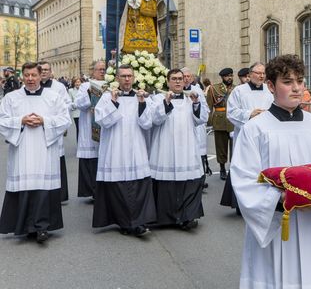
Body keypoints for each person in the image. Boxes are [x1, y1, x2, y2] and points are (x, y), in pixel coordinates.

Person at [230, 54, 311, 289]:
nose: (297, 88)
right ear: (270, 85)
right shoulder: (255, 129)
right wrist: (278, 198)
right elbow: (245, 180)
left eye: (300, 81)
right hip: (281, 228)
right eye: (287, 82)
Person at [0, 62, 71, 243]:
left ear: (41, 76)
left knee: (43, 187)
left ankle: (42, 228)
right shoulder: (11, 98)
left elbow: (65, 120)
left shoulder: (53, 97)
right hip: (21, 149)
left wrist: (44, 121)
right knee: (24, 186)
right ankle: (24, 226)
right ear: (22, 76)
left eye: (34, 75)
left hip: (44, 149)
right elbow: (2, 120)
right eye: (27, 75)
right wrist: (20, 121)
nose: (30, 79)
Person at [93, 65, 156, 237]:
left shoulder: (141, 97)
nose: (127, 79)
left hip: (136, 146)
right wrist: (114, 102)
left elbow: (147, 123)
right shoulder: (107, 97)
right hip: (115, 147)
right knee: (118, 187)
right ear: (117, 78)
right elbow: (102, 120)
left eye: (130, 76)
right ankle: (125, 222)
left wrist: (142, 103)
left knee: (138, 185)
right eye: (123, 76)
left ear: (134, 78)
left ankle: (137, 222)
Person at [149, 69, 209, 230]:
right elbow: (155, 120)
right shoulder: (158, 98)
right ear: (167, 82)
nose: (177, 82)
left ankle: (188, 216)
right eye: (174, 79)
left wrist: (197, 104)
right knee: (166, 185)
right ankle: (165, 218)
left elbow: (202, 119)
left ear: (184, 82)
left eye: (180, 79)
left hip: (187, 146)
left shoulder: (191, 99)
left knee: (190, 183)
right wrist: (166, 103)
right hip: (165, 146)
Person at [222, 62, 273, 212]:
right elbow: (231, 112)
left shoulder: (270, 90)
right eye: (258, 73)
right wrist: (249, 114)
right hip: (246, 136)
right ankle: (241, 203)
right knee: (246, 168)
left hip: (266, 136)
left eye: (263, 73)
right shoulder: (239, 91)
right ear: (249, 75)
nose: (261, 76)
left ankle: (265, 202)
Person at [39, 61, 72, 203]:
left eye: (46, 69)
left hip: (53, 127)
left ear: (51, 71)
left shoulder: (59, 87)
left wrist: (59, 118)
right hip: (38, 129)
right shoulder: (33, 85)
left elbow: (68, 103)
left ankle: (59, 195)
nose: (44, 72)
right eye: (41, 70)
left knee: (57, 159)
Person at [74, 61, 106, 199]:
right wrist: (90, 93)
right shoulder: (85, 86)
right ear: (92, 71)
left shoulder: (110, 84)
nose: (102, 71)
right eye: (99, 69)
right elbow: (79, 104)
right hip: (89, 126)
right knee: (91, 160)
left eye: (104, 69)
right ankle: (92, 191)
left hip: (105, 127)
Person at [182, 67, 212, 184]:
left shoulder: (197, 90)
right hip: (183, 128)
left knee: (199, 154)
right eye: (183, 77)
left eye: (188, 76)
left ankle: (201, 179)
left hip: (197, 126)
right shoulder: (175, 91)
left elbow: (205, 107)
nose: (186, 79)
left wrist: (202, 117)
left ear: (192, 78)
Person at [207, 68, 235, 180]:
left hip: (233, 121)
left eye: (231, 76)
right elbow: (209, 106)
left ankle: (233, 168)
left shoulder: (237, 89)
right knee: (220, 147)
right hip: (220, 121)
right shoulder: (214, 89)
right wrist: (208, 122)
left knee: (235, 147)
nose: (230, 78)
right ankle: (222, 168)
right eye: (228, 76)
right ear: (222, 77)